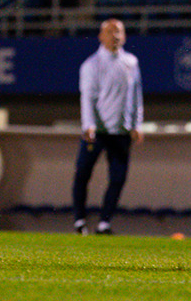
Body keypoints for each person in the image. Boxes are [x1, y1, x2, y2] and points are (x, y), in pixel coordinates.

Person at [72, 18, 144, 235]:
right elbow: (87, 97)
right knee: (83, 174)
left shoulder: (131, 62)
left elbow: (136, 96)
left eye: (119, 31)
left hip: (121, 132)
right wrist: (89, 124)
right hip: (98, 131)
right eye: (111, 32)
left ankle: (104, 223)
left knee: (118, 178)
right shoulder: (91, 65)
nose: (116, 36)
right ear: (100, 36)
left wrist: (137, 124)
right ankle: (79, 221)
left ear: (125, 36)